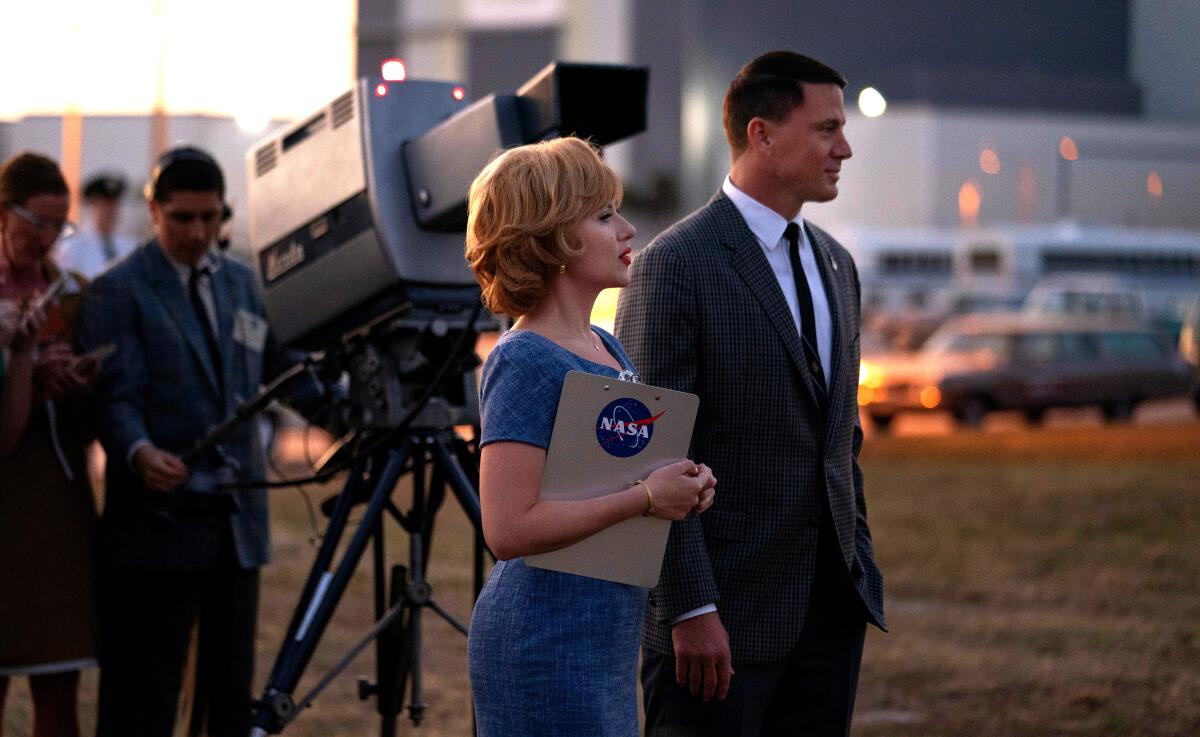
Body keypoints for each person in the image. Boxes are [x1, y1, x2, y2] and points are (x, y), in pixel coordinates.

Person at [615, 51, 887, 736]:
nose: (845, 148)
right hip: (718, 625)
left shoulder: (837, 265)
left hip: (829, 616)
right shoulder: (674, 266)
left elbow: (838, 440)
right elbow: (651, 455)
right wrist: (689, 607)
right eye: (826, 129)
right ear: (762, 134)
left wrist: (857, 560)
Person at [464, 137, 718, 736]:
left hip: (600, 639)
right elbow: (508, 530)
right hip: (543, 640)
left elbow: (603, 482)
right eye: (604, 216)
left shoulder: (606, 345)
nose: (628, 229)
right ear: (550, 237)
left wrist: (681, 487)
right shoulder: (524, 358)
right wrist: (646, 499)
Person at [77, 146, 303, 737]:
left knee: (227, 698)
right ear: (153, 210)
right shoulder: (117, 291)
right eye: (182, 218)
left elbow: (282, 369)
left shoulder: (242, 284)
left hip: (235, 528)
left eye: (211, 217)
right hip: (156, 527)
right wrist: (138, 452)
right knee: (143, 698)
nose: (199, 231)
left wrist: (356, 400)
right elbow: (115, 396)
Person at [0, 152, 101, 737]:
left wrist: (77, 378)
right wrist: (26, 371)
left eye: (57, 226)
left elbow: (95, 416)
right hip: (5, 493)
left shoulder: (72, 295)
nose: (44, 238)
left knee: (58, 684)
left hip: (56, 500)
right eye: (35, 222)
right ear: (4, 214)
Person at [55, 173, 136, 278]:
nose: (110, 211)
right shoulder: (73, 247)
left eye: (114, 204)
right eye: (105, 205)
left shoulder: (130, 247)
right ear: (92, 205)